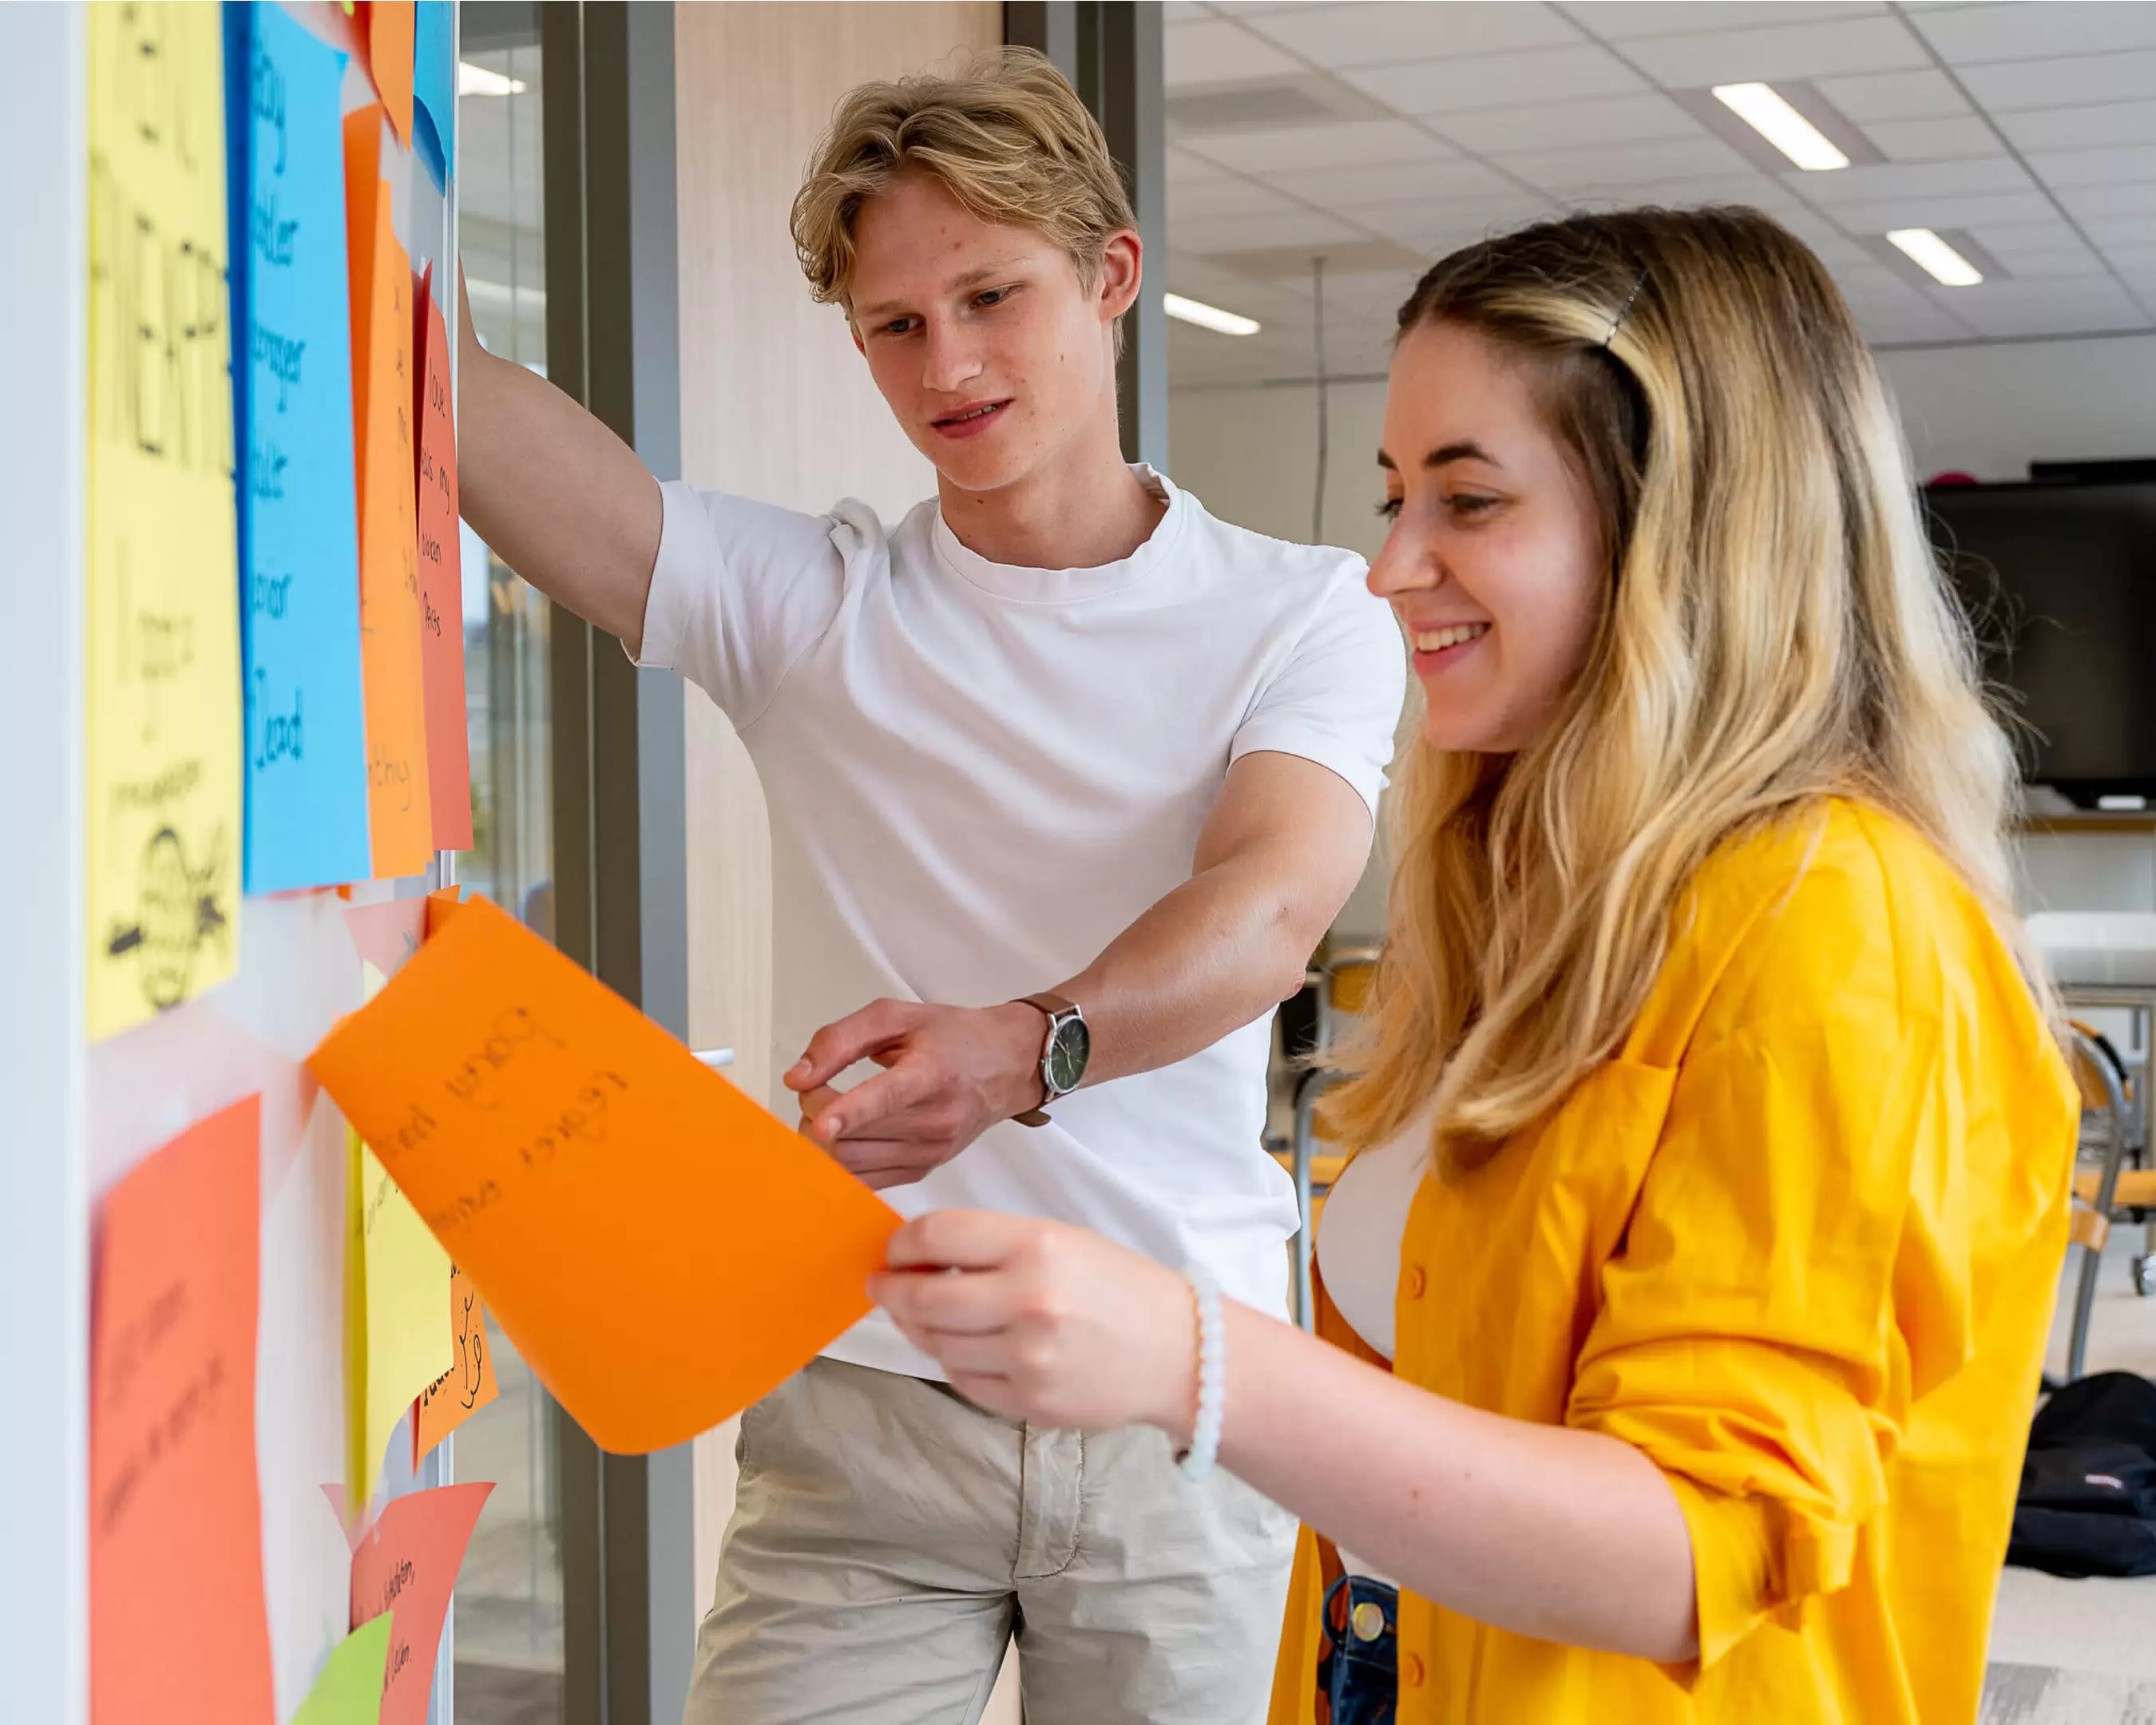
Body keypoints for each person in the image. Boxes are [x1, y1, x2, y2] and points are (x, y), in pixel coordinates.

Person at [874, 206, 2081, 1725]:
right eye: (1396, 494)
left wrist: (1191, 1359)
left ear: (1680, 531)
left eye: (1470, 501)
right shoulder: (1550, 890)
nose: (1391, 567)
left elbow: (1687, 1551)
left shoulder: (1839, 923)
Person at [455, 47, 1405, 1725]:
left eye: (992, 296)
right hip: (863, 1407)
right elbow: (472, 422)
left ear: (1110, 276)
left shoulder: (1301, 612)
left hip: (1177, 1396)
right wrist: (362, 228)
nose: (948, 363)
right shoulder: (812, 609)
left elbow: (1267, 910)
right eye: (896, 324)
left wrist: (1018, 1046)